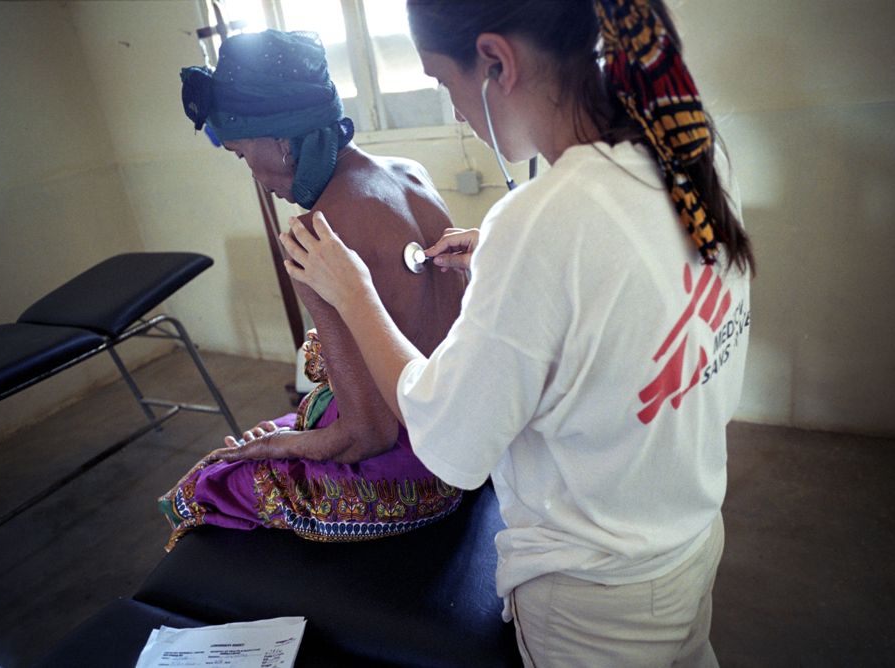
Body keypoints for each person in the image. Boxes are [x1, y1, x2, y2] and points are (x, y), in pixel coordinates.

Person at [279, 1, 754, 665]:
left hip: (595, 598)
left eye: (445, 84)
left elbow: (451, 444)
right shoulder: (684, 155)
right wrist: (511, 277)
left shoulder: (538, 224)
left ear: (496, 61)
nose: (454, 112)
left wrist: (352, 294)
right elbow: (624, 307)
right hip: (689, 540)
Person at [159, 29, 466, 549]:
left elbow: (371, 435)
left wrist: (290, 446)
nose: (254, 174)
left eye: (241, 154)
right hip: (467, 435)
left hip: (422, 474)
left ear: (280, 140)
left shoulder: (316, 240)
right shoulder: (411, 175)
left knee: (210, 480)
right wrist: (298, 432)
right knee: (292, 421)